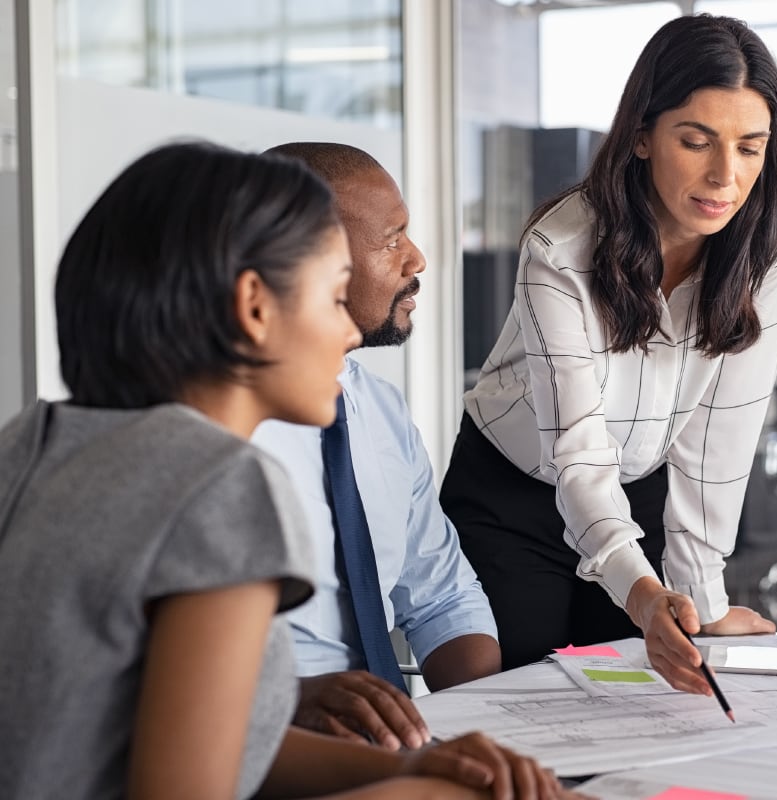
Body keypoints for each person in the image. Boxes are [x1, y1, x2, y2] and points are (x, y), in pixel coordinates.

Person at [0, 141, 562, 799]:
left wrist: (408, 769)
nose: (347, 336)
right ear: (255, 306)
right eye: (331, 297)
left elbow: (209, 741)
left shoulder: (32, 441)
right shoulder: (219, 482)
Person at [440, 13, 777, 693]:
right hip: (515, 493)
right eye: (696, 142)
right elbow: (578, 454)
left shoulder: (773, 230)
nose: (725, 177)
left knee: (636, 702)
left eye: (750, 148)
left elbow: (725, 422)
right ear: (641, 135)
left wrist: (703, 599)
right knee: (522, 700)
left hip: (641, 491)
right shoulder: (560, 249)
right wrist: (641, 595)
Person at [253, 142, 500, 751]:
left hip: (392, 740)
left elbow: (441, 594)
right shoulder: (221, 435)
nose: (417, 259)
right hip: (271, 740)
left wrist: (489, 722)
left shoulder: (380, 409)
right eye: (392, 240)